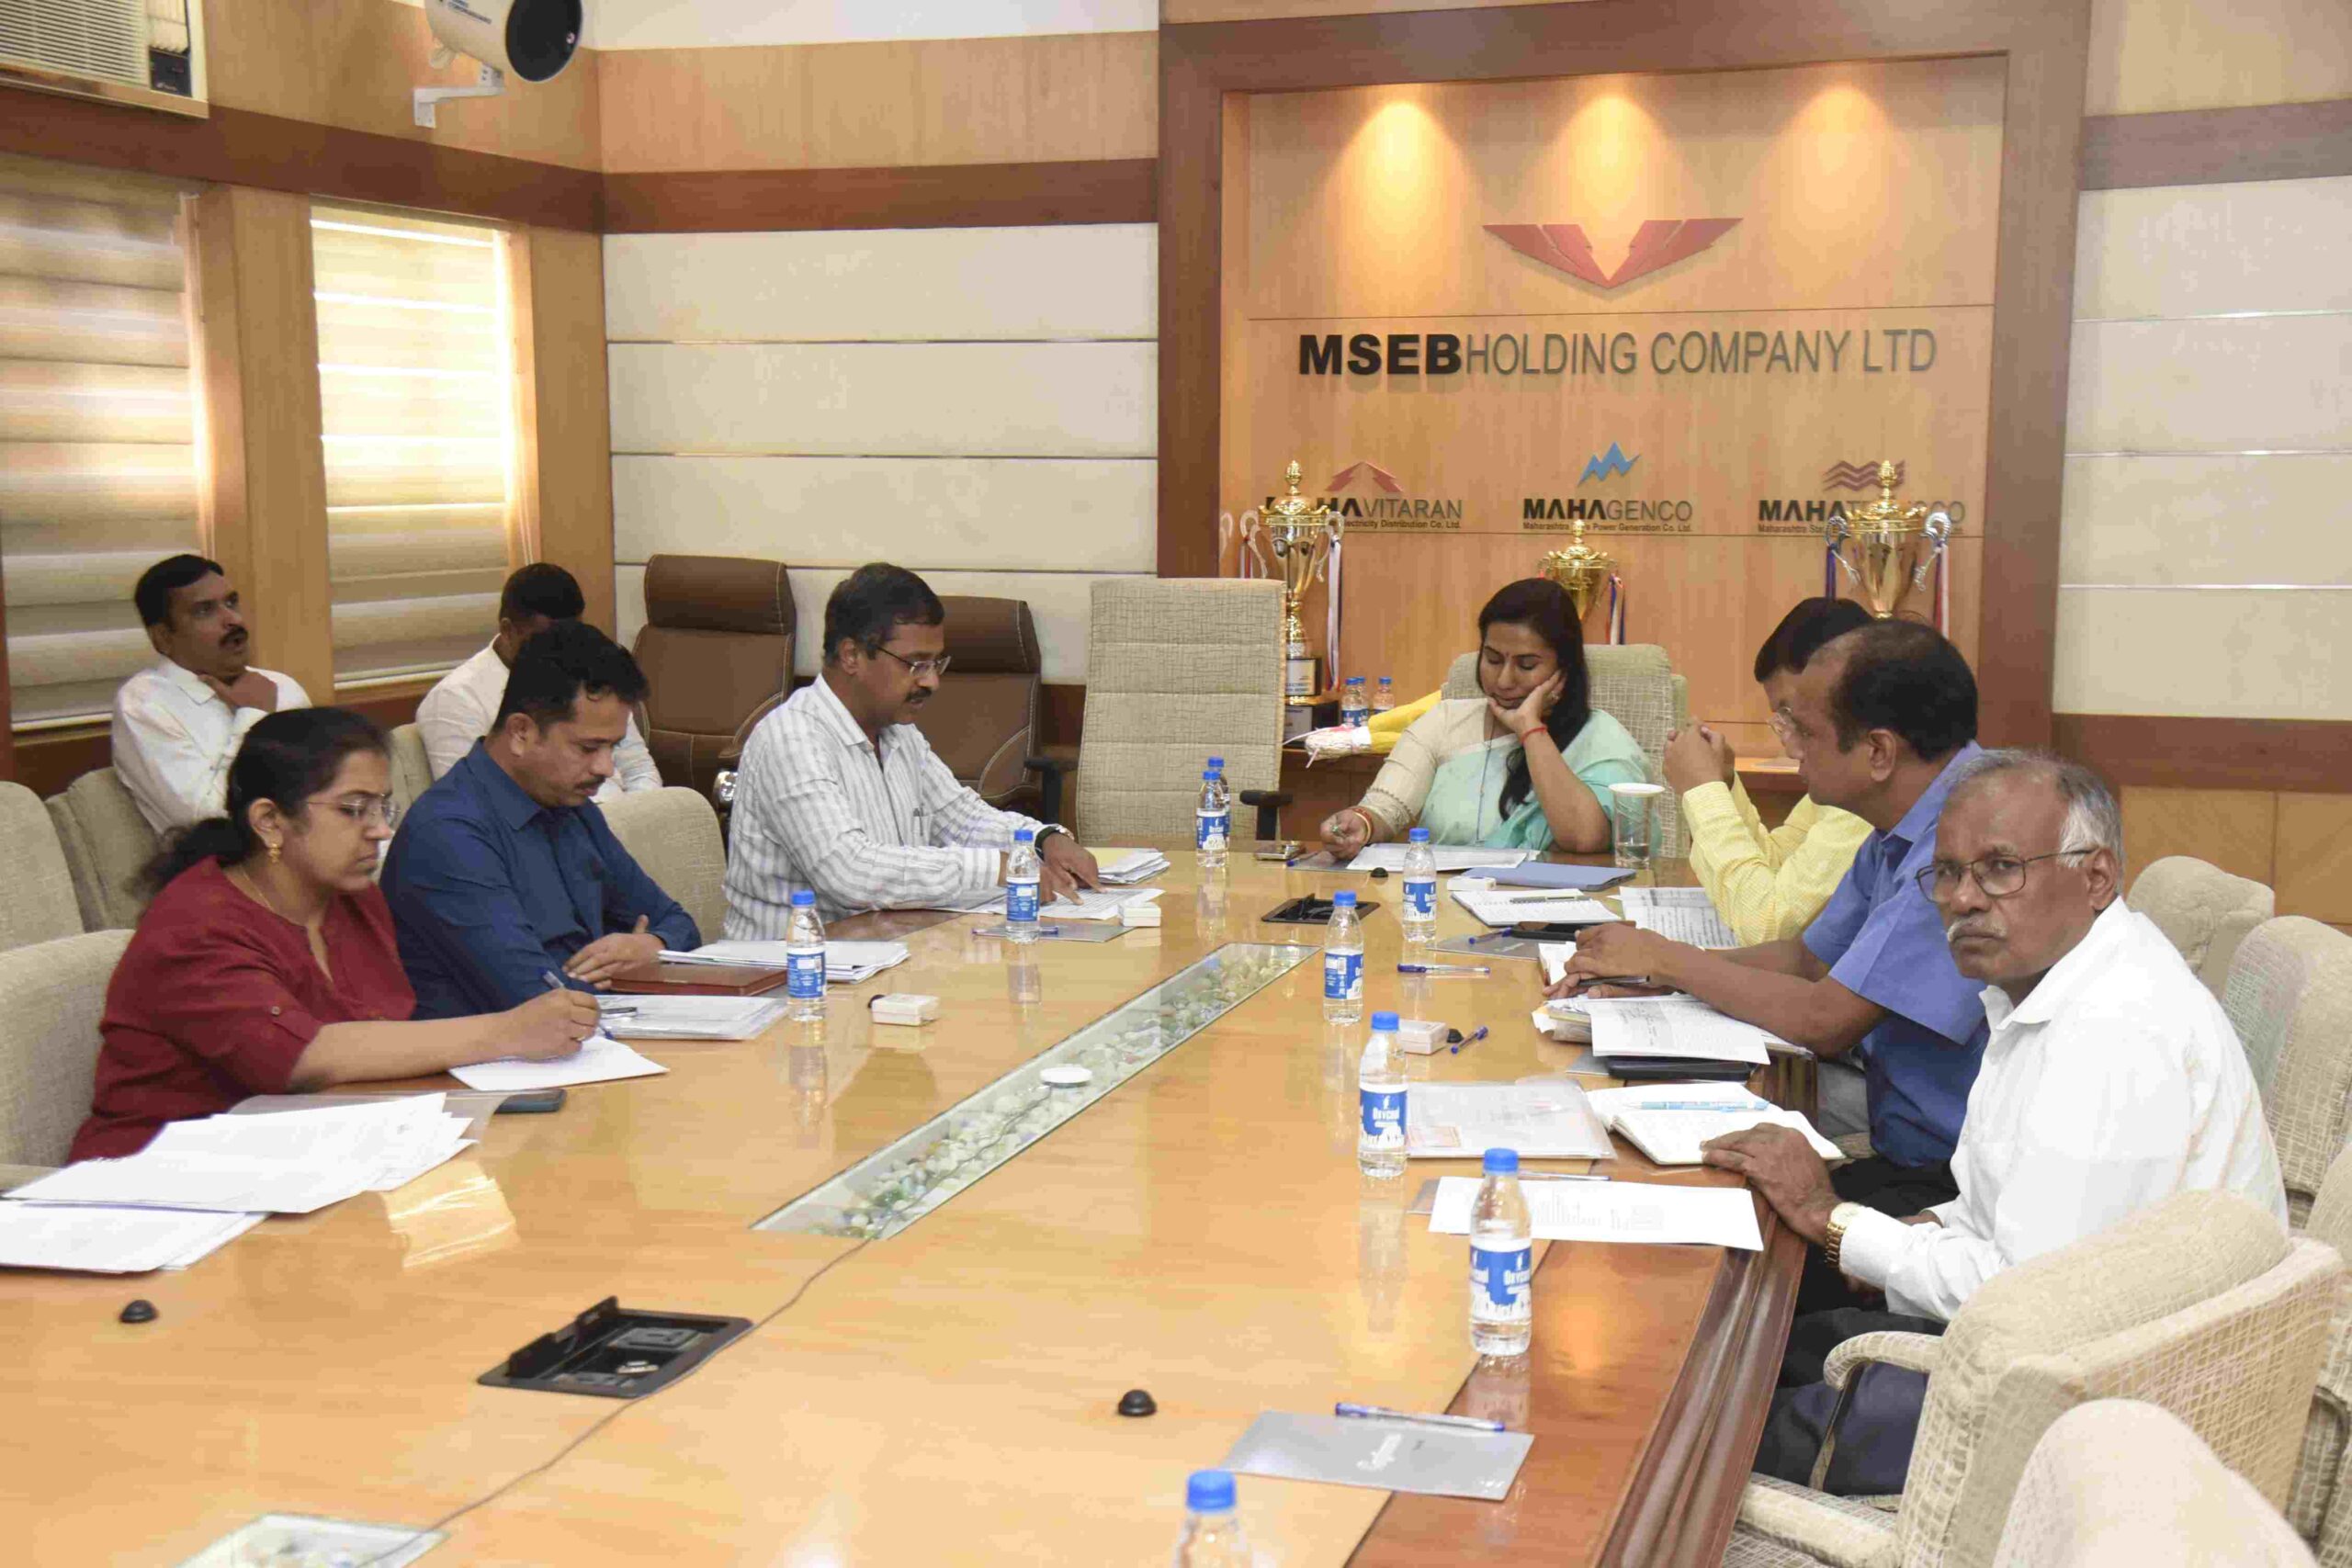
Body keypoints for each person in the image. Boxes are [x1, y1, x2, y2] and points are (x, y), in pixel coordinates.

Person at [1702, 750, 2285, 1493]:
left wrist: (1833, 1219)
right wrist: (1902, 1235)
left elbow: (2029, 1298)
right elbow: (1997, 1213)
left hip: (2100, 1420)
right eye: (1947, 872)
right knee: (1763, 1346)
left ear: (2097, 877)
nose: (1963, 899)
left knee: (1716, 1433)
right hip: (2045, 1346)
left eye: (2001, 868)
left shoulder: (2116, 1030)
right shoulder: (2047, 986)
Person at [1553, 619, 1988, 1220]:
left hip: (1952, 1187)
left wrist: (1667, 959)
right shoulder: (1909, 815)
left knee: (1691, 1211)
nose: (1791, 747)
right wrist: (1661, 973)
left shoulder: (1965, 838)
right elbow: (1807, 958)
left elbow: (1824, 1019)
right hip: (1913, 1143)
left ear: (1879, 751)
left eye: (1804, 730)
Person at [69, 709, 599, 1160]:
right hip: (161, 1179)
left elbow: (390, 1036)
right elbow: (304, 1057)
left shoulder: (352, 900)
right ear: (269, 821)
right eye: (354, 810)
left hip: (316, 1153)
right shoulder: (195, 925)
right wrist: (507, 1031)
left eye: (383, 807)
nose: (381, 829)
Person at [724, 563, 1101, 931]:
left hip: (885, 946)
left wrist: (1042, 840)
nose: (932, 681)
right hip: (789, 962)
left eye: (936, 663)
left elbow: (961, 820)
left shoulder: (897, 732)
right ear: (852, 655)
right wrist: (997, 868)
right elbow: (849, 872)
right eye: (915, 664)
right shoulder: (792, 739)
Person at [380, 622, 699, 1019]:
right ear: (521, 733)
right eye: (588, 748)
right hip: (503, 1052)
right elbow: (536, 998)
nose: (606, 768)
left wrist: (652, 946)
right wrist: (629, 974)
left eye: (613, 747)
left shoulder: (571, 805)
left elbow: (678, 923)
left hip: (597, 1033)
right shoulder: (448, 834)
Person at [1317, 579, 1647, 857]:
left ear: (1564, 669)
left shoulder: (1600, 738)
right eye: (1492, 660)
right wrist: (1362, 823)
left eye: (1527, 665)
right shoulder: (1446, 721)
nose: (1504, 680)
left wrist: (1531, 730)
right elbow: (1386, 807)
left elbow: (1584, 838)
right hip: (1445, 901)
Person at [1663, 597, 1874, 944]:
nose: (1791, 747)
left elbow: (1770, 928)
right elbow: (1778, 866)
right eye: (1783, 719)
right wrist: (1724, 783)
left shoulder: (1869, 786)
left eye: (1796, 716)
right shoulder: (1839, 769)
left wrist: (1704, 793)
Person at [415, 562, 662, 801]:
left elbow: (640, 771)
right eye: (545, 639)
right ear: (508, 630)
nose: (561, 650)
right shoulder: (457, 698)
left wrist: (636, 820)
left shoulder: (596, 678)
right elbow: (474, 801)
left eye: (569, 637)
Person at [112, 554, 311, 835]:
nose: (233, 619)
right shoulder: (145, 704)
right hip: (229, 859)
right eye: (204, 611)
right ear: (163, 638)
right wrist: (254, 716)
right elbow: (208, 823)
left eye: (231, 603)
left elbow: (328, 785)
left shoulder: (282, 687)